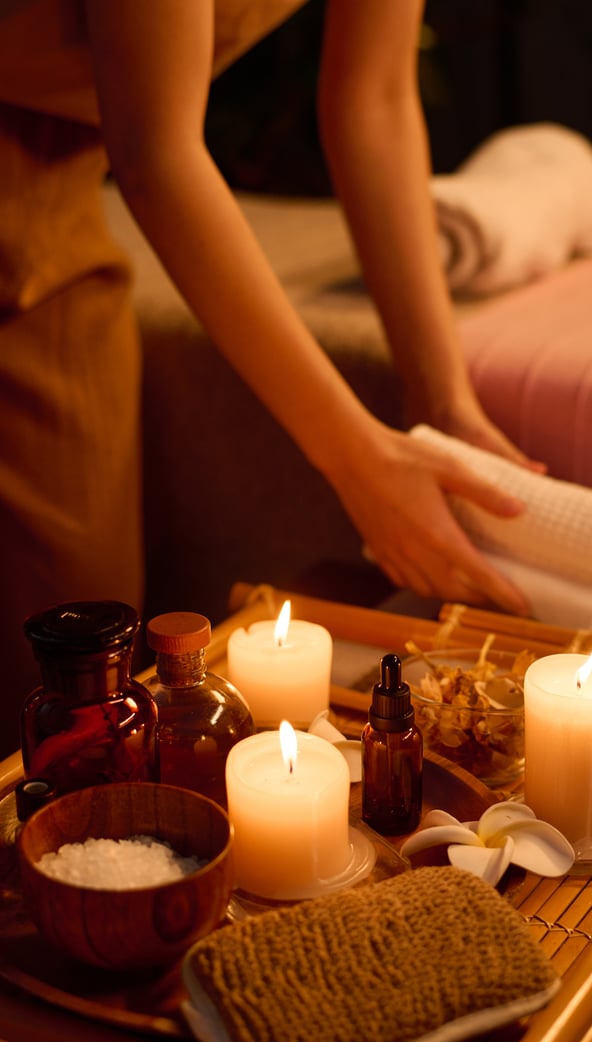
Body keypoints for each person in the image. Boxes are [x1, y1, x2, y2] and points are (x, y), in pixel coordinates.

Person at [0, 0, 542, 756]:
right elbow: (157, 152)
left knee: (83, 634)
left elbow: (375, 98)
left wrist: (442, 400)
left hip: (61, 172)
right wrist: (360, 460)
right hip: (81, 145)